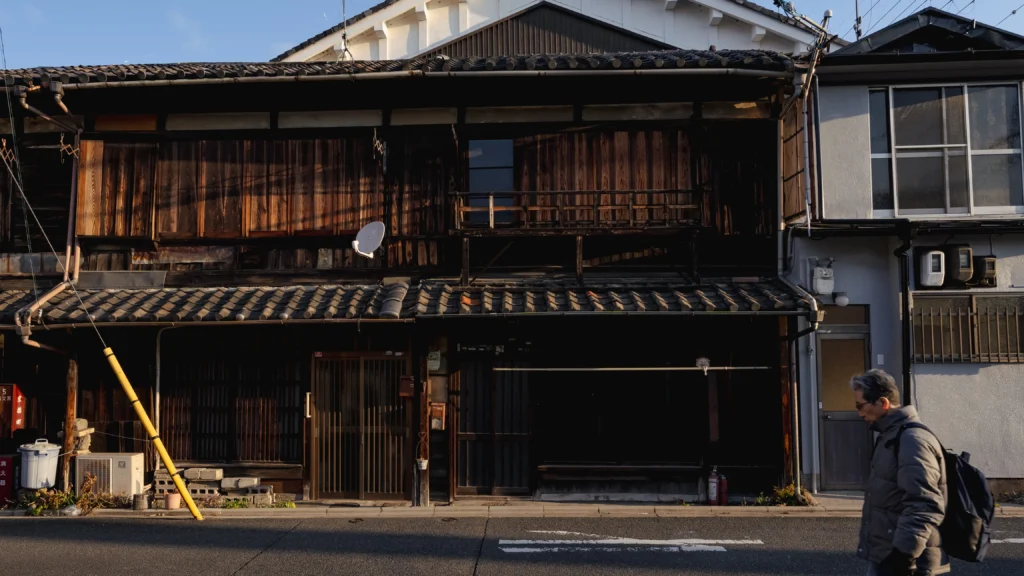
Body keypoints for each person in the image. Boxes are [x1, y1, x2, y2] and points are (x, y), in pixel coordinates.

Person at [851, 369, 949, 576]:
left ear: (883, 403)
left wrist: (904, 556)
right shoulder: (891, 436)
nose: (859, 412)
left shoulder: (911, 440)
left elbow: (925, 502)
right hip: (889, 553)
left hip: (908, 560)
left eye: (861, 405)